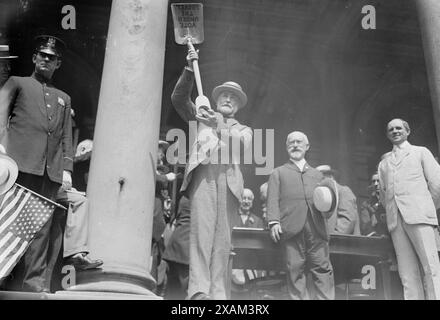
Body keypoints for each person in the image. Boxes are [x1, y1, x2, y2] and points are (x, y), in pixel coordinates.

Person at [171, 46, 252, 300]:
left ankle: (218, 295)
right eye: (224, 95)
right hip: (204, 178)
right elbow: (178, 98)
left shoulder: (244, 129)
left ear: (237, 106)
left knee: (222, 243)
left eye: (233, 98)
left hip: (228, 184)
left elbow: (242, 145)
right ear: (216, 99)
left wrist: (217, 123)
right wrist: (188, 68)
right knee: (201, 236)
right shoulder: (200, 117)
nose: (228, 99)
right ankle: (198, 292)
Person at [0, 35, 73, 292]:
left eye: (51, 57)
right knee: (7, 222)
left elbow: (66, 135)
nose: (45, 60)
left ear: (58, 64)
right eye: (42, 55)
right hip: (18, 166)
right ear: (34, 58)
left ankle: (34, 285)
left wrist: (66, 168)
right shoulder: (17, 83)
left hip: (49, 171)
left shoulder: (63, 97)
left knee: (40, 230)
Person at [267, 131, 335, 300]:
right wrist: (274, 222)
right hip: (291, 228)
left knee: (323, 269)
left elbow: (328, 204)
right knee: (294, 270)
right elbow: (272, 199)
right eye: (291, 142)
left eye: (299, 142)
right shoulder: (278, 172)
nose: (295, 145)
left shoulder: (317, 175)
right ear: (286, 147)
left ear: (307, 147)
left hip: (316, 228)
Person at [378, 118, 440, 300]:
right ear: (387, 134)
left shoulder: (420, 152)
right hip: (396, 221)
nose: (395, 131)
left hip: (420, 217)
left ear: (407, 131)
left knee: (431, 267)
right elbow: (383, 193)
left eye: (399, 128)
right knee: (407, 273)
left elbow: (437, 183)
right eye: (391, 129)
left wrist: (426, 207)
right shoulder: (384, 163)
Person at [316, 165, 359, 235]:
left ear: (331, 177)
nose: (319, 182)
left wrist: (331, 239)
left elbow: (346, 222)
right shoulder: (321, 197)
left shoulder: (343, 191)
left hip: (343, 243)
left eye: (322, 178)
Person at [163, 195, 191, 300]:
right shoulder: (196, 198)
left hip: (175, 247)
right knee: (180, 292)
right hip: (185, 249)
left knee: (171, 291)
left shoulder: (183, 197)